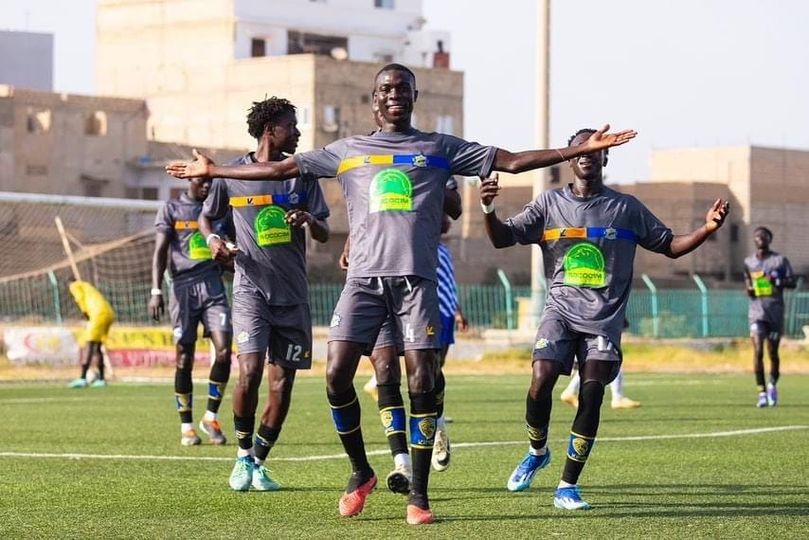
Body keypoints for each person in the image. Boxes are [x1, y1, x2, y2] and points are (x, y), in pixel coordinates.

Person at [166, 63, 636, 525]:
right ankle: (359, 472)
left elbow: (511, 161)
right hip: (363, 284)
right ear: (373, 101)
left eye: (403, 88)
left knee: (422, 383)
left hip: (416, 284)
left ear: (414, 98)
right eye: (386, 88)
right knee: (335, 376)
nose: (394, 94)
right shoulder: (347, 151)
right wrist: (215, 168)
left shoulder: (439, 147)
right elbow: (279, 168)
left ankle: (419, 493)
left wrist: (572, 150)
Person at [479, 128, 729, 510]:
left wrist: (707, 228)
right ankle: (537, 451)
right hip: (559, 313)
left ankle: (567, 486)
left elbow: (671, 246)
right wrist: (488, 210)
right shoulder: (548, 204)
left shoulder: (626, 208)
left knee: (592, 393)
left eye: (596, 150)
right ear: (571, 156)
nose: (587, 155)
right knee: (540, 380)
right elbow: (501, 239)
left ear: (605, 159)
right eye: (582, 148)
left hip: (603, 322)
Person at [199, 97, 330, 492]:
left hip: (292, 294)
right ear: (270, 128)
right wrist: (213, 240)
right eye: (292, 125)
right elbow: (208, 216)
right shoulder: (233, 173)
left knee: (281, 385)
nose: (298, 132)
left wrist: (309, 220)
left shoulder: (301, 175)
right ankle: (241, 457)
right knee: (249, 371)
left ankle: (259, 460)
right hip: (250, 289)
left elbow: (324, 229)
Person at [341, 182, 464, 495]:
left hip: (416, 274)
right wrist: (352, 241)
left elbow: (448, 217)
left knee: (428, 369)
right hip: (372, 275)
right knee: (383, 369)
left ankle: (436, 425)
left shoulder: (425, 163)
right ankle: (402, 463)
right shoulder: (363, 164)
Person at [150, 177, 234, 446]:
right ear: (189, 181)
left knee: (223, 351)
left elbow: (231, 242)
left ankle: (211, 416)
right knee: (184, 357)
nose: (207, 187)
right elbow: (160, 251)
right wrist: (156, 291)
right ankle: (186, 425)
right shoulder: (172, 209)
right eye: (202, 182)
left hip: (214, 286)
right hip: (183, 290)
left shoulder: (220, 211)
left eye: (211, 182)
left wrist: (231, 251)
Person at [743, 226, 795, 408]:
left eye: (764, 236)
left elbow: (793, 282)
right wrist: (749, 290)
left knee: (773, 353)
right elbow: (748, 284)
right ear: (754, 240)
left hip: (775, 312)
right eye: (757, 236)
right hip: (757, 312)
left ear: (770, 239)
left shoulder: (779, 261)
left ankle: (772, 384)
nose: (760, 239)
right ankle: (762, 392)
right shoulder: (749, 262)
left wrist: (776, 281)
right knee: (758, 351)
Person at [560, 320, 639, 409]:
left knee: (601, 360)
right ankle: (618, 398)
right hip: (598, 323)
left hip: (589, 323)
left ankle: (571, 390)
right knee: (609, 358)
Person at [67, 279, 116, 388]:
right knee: (97, 346)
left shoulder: (75, 286)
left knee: (89, 345)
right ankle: (101, 379)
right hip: (108, 313)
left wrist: (85, 313)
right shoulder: (88, 286)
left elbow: (80, 299)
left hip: (98, 314)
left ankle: (83, 378)